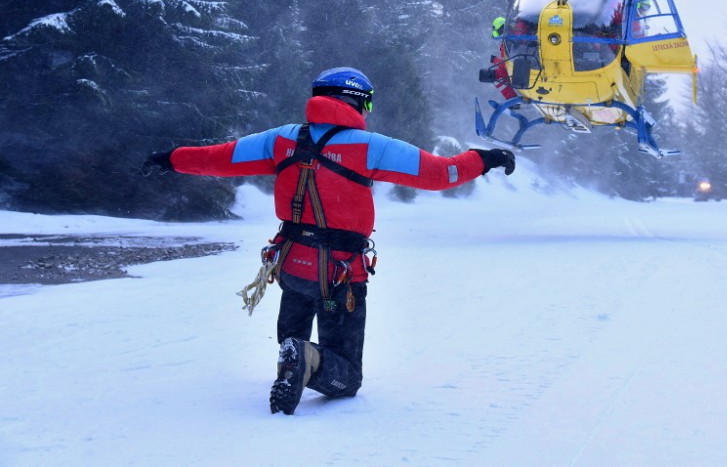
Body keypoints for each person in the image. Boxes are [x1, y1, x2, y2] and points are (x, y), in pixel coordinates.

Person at [142, 67, 515, 415]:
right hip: (339, 273)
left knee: (296, 333)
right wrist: (484, 159)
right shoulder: (370, 146)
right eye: (367, 102)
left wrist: (169, 159)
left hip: (290, 265)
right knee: (347, 378)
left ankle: (293, 354)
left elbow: (218, 158)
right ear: (355, 101)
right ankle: (303, 356)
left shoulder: (281, 139)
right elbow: (440, 174)